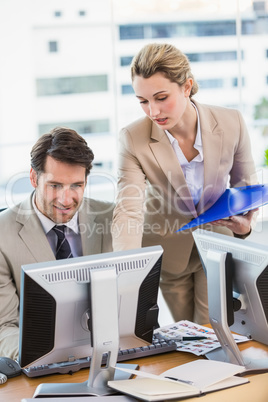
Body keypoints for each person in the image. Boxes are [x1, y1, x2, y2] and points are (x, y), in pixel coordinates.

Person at [112, 43, 258, 325]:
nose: (152, 111)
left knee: (215, 330)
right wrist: (127, 270)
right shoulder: (132, 138)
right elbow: (127, 208)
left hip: (217, 245)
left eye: (161, 97)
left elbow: (246, 189)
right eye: (143, 101)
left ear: (187, 87)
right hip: (168, 247)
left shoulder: (232, 123)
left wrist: (246, 225)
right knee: (187, 333)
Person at [0, 127, 114, 359]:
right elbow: (4, 327)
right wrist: (50, 356)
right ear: (33, 178)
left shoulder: (112, 218)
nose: (66, 199)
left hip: (108, 353)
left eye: (76, 185)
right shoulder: (3, 234)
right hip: (42, 360)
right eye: (55, 185)